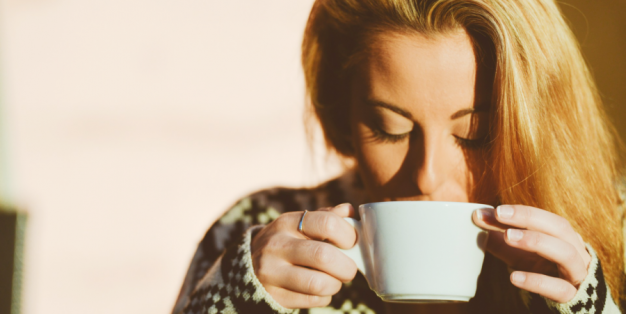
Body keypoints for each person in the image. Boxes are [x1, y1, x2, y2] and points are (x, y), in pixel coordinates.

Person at [172, 0, 626, 313]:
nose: (427, 177)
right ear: (343, 114)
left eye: (475, 135)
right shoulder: (256, 227)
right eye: (391, 130)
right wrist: (230, 302)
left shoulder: (615, 231)